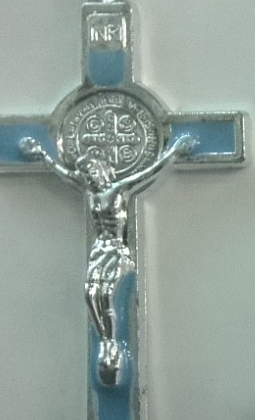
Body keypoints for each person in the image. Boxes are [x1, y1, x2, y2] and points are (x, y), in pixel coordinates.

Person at [20, 134, 196, 388]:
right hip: (99, 250)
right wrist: (41, 154)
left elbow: (148, 173)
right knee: (90, 293)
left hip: (115, 251)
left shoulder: (118, 190)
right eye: (87, 175)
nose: (91, 178)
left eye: (93, 173)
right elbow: (63, 173)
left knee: (106, 295)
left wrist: (173, 153)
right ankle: (106, 342)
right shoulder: (89, 192)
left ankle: (111, 345)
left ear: (102, 171)